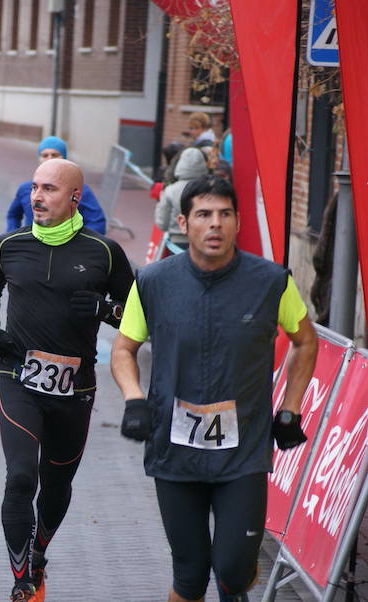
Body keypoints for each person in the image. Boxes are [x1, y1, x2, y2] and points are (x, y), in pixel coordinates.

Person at [111, 175, 318, 602]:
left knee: (232, 571)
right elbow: (123, 350)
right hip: (174, 451)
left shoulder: (271, 282)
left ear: (238, 221)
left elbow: (306, 341)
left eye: (225, 215)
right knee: (189, 575)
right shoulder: (152, 281)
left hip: (243, 453)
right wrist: (134, 399)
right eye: (204, 214)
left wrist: (291, 408)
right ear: (183, 223)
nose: (215, 224)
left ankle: (238, 573)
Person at [0, 158, 134, 601]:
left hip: (75, 389)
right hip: (17, 376)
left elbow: (140, 314)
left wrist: (106, 310)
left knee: (57, 484)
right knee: (21, 478)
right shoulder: (9, 245)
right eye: (34, 188)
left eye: (49, 189)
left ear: (75, 197)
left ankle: (39, 553)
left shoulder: (104, 252)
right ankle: (22, 581)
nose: (37, 197)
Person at [6, 136, 107, 234]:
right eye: (45, 155)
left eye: (55, 155)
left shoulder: (78, 190)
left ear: (64, 158)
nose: (49, 159)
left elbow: (97, 222)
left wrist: (80, 242)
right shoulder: (24, 189)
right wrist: (14, 237)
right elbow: (13, 215)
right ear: (39, 158)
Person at [154, 147, 209, 248]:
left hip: (176, 243)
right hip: (204, 241)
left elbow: (162, 224)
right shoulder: (210, 189)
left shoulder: (170, 190)